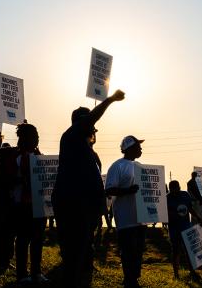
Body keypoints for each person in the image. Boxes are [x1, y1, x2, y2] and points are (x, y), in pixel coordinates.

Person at [52, 89, 125, 287]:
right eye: (89, 124)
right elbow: (90, 119)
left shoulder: (90, 152)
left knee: (84, 253)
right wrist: (110, 99)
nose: (92, 128)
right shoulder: (70, 137)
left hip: (87, 210)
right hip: (72, 205)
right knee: (74, 254)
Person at [0, 123, 48, 284]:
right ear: (25, 138)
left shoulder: (40, 156)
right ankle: (22, 274)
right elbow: (6, 180)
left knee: (38, 239)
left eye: (37, 135)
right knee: (23, 239)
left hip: (38, 205)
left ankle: (36, 272)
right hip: (21, 205)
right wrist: (21, 180)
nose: (37, 138)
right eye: (34, 135)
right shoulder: (14, 157)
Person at [105, 135, 146, 288]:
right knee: (129, 251)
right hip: (126, 219)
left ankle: (133, 279)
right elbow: (109, 190)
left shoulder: (140, 166)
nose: (141, 149)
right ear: (129, 148)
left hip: (141, 218)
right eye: (138, 146)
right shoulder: (117, 166)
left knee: (138, 250)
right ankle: (129, 280)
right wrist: (128, 191)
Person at [167, 180, 202, 282]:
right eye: (173, 189)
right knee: (176, 251)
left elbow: (190, 208)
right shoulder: (167, 198)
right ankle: (176, 274)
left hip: (186, 227)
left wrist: (197, 217)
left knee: (189, 251)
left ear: (179, 187)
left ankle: (192, 271)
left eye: (176, 188)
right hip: (174, 229)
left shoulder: (185, 195)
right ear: (170, 189)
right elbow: (164, 212)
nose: (175, 191)